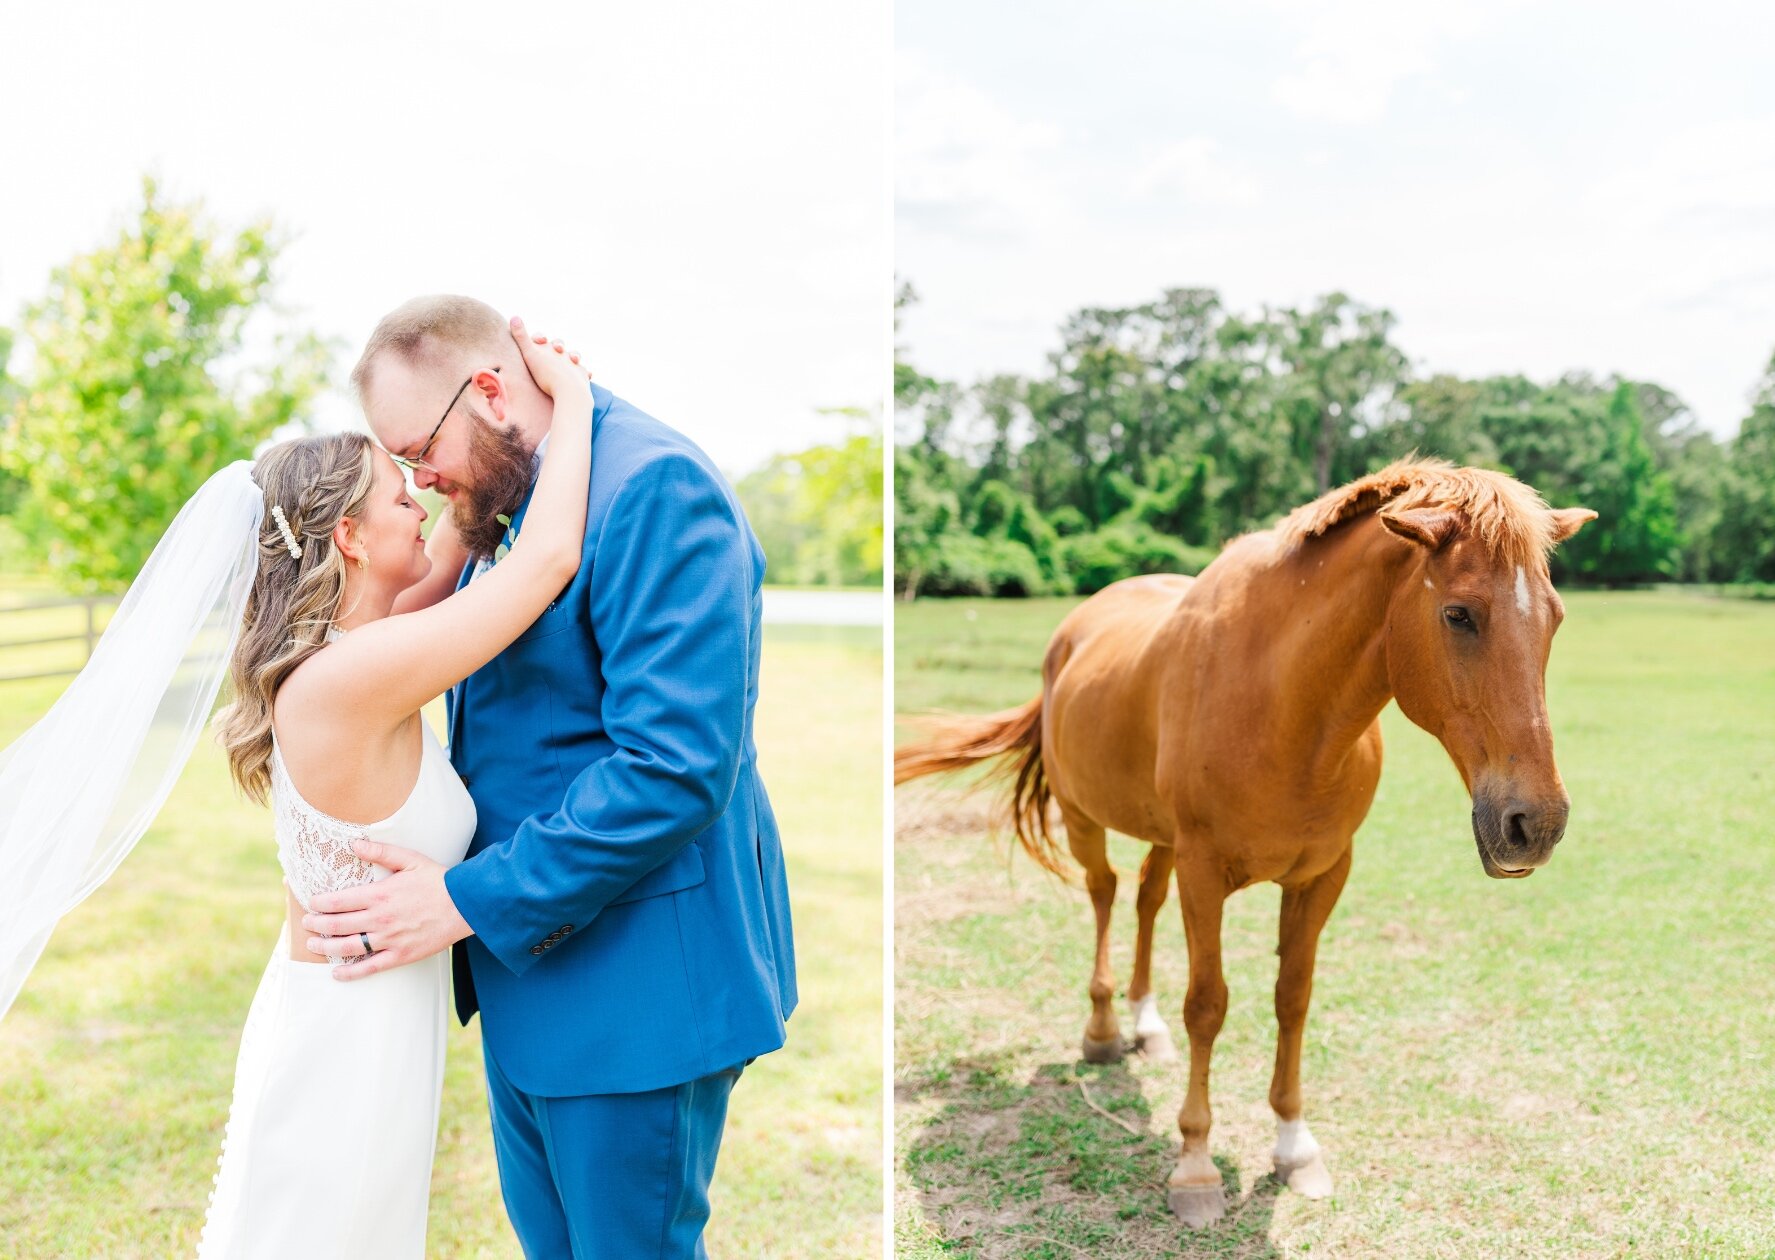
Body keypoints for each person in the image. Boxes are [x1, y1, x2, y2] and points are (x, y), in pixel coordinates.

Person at [0, 316, 595, 1259]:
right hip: (345, 1046)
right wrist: (575, 406)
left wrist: (475, 440)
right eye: (401, 492)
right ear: (351, 538)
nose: (422, 499)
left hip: (370, 1022)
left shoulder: (364, 644)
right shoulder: (347, 679)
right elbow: (545, 562)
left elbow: (454, 538)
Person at [304, 294, 798, 1259]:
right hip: (534, 972)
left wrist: (463, 901)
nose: (420, 479)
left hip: (635, 987)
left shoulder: (653, 485)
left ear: (488, 389)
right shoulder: (509, 490)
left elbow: (675, 766)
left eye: (418, 451)